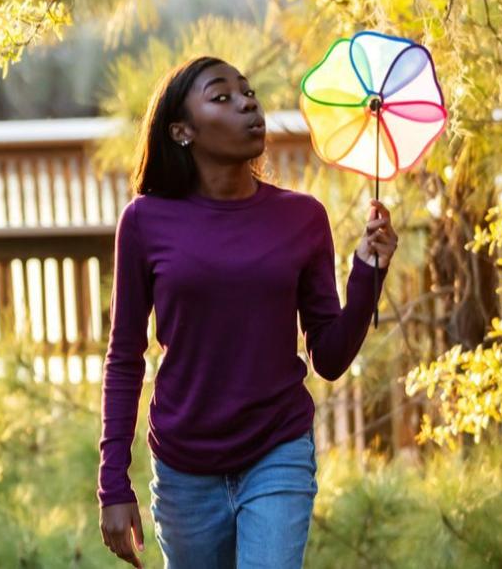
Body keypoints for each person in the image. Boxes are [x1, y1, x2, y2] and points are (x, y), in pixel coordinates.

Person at [97, 56, 397, 568]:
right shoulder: (145, 221)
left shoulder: (302, 217)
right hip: (184, 466)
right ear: (182, 131)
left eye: (249, 92)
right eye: (222, 96)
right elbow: (125, 357)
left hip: (277, 451)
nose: (247, 102)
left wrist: (368, 272)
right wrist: (113, 483)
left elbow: (327, 355)